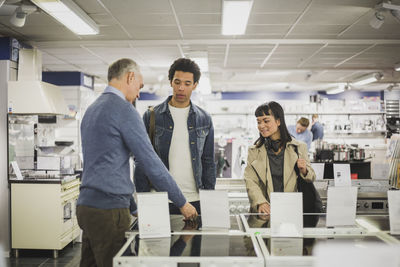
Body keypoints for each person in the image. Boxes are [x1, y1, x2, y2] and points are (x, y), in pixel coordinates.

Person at [77, 58, 197, 267]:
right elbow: (150, 162)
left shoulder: (92, 109)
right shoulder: (124, 109)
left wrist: (132, 206)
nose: (139, 93)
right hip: (109, 210)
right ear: (130, 77)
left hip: (87, 207)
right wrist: (182, 202)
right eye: (139, 86)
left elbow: (106, 165)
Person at [134, 58, 215, 214]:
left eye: (187, 84)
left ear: (195, 85)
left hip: (195, 199)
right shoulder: (152, 117)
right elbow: (141, 160)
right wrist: (143, 197)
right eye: (177, 82)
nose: (181, 88)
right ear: (170, 82)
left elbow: (208, 161)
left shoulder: (204, 118)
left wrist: (209, 198)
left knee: (196, 239)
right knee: (159, 240)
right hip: (160, 197)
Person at [244, 102, 316, 214]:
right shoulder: (254, 151)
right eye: (258, 122)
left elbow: (311, 177)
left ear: (278, 121)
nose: (261, 126)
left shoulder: (298, 147)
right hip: (265, 211)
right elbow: (250, 180)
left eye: (266, 121)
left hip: (291, 210)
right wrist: (260, 202)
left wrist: (304, 170)